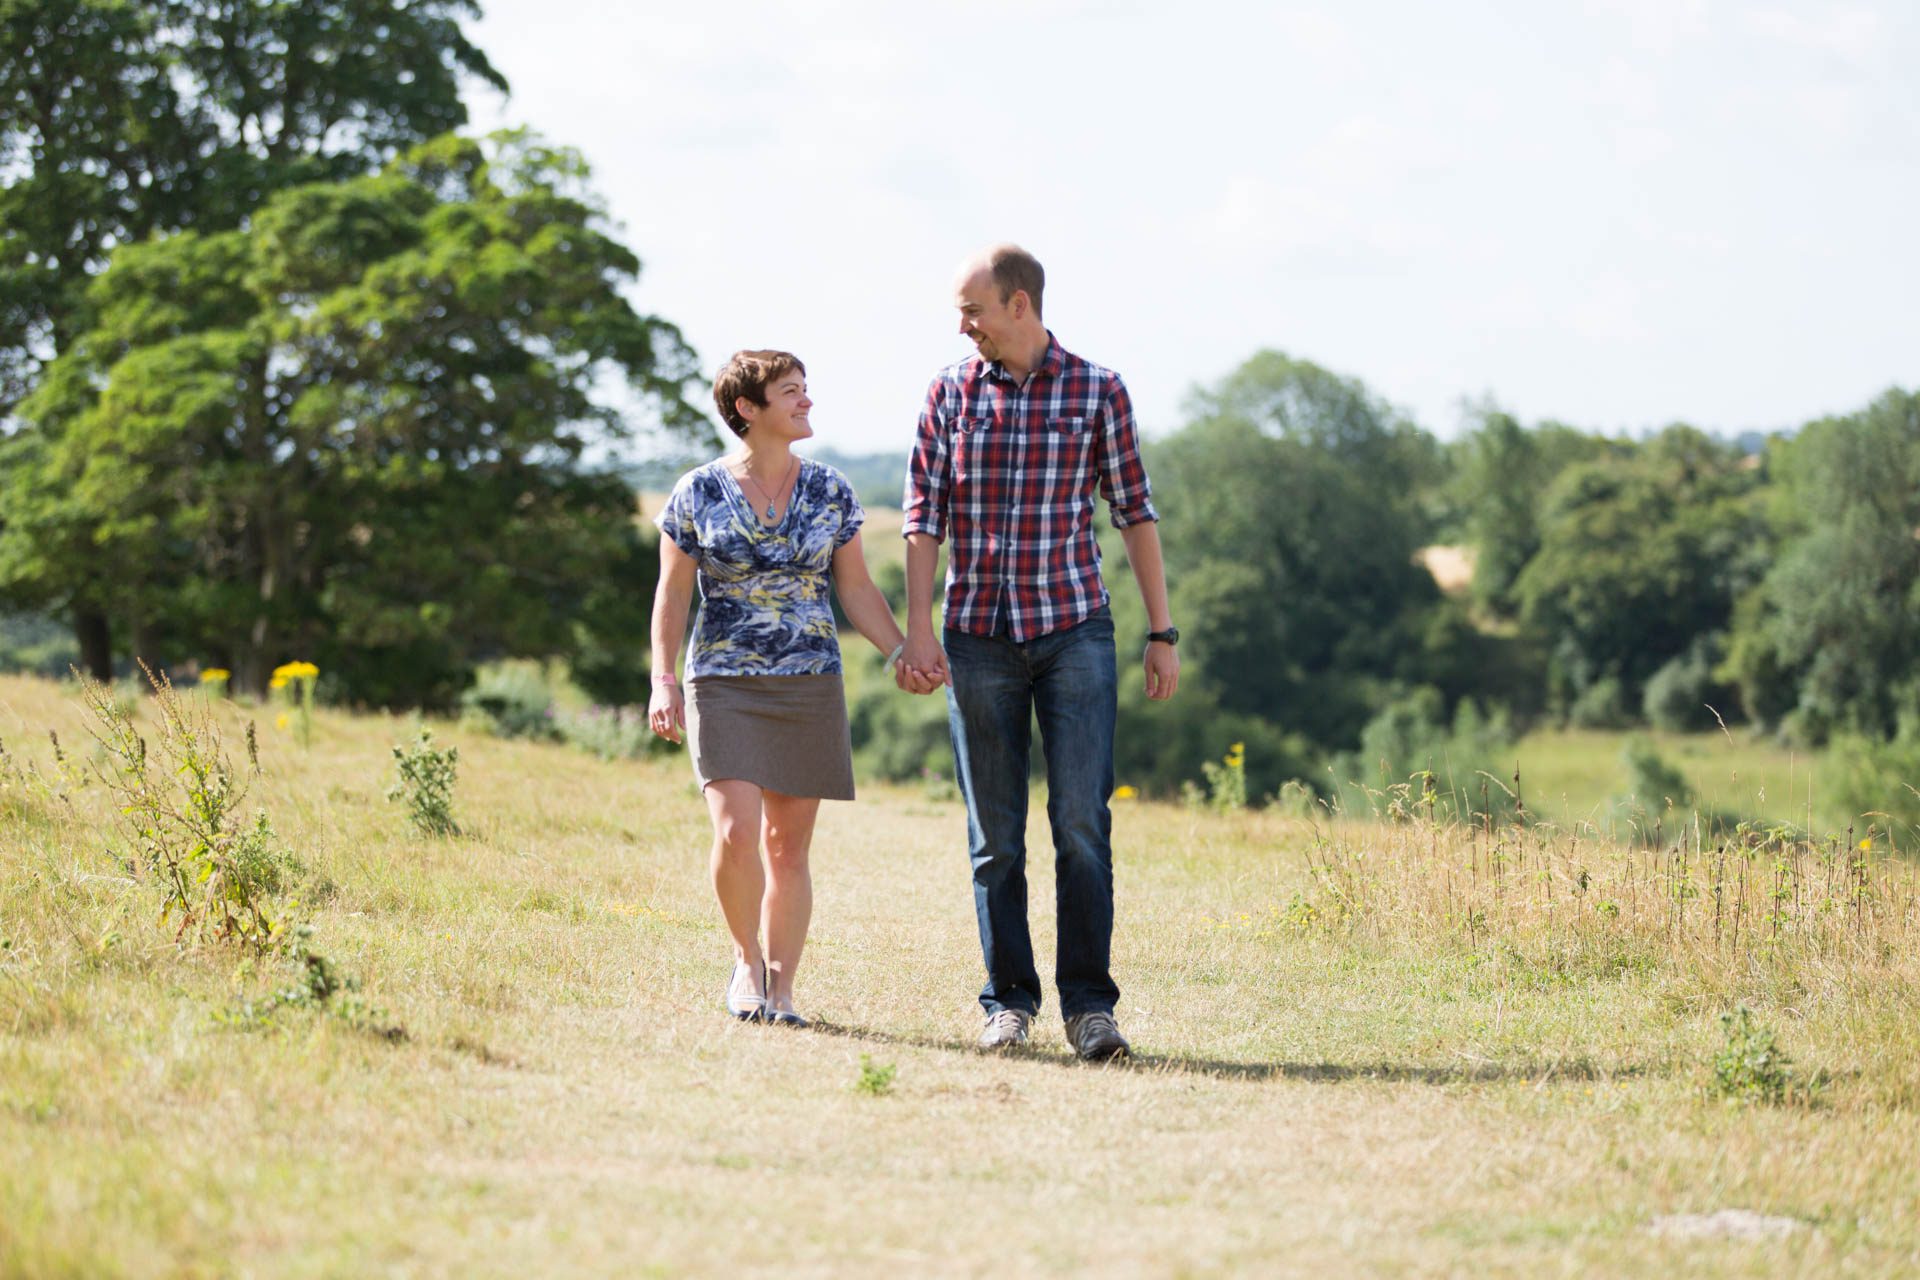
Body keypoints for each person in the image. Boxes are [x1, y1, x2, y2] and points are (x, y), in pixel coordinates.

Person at [900, 244, 1180, 1061]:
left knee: (1081, 824)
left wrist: (1161, 633)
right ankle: (1008, 1003)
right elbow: (923, 517)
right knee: (995, 836)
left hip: (1074, 633)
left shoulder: (1098, 390)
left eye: (973, 308)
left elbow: (1134, 513)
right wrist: (919, 628)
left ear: (1019, 304)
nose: (964, 325)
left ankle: (1091, 1008)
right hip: (977, 634)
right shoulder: (949, 392)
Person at [648, 349, 929, 1027]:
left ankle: (783, 988)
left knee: (786, 847)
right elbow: (673, 592)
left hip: (808, 681)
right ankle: (746, 962)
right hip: (722, 679)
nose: (806, 402)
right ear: (748, 408)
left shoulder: (831, 490)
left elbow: (855, 586)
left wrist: (901, 650)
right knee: (738, 830)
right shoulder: (697, 492)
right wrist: (663, 680)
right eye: (791, 392)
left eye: (805, 390)